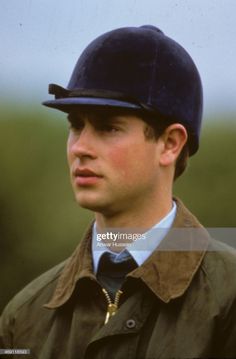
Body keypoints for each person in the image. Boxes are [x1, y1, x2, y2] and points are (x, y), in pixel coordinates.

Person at [1, 25, 236, 359]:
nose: (80, 147)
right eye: (76, 125)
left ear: (169, 144)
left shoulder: (229, 297)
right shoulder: (24, 315)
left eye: (108, 127)